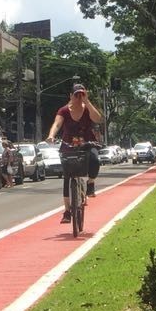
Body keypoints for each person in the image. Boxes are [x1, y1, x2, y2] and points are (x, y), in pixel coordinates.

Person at [46, 83, 104, 223]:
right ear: (71, 96)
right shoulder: (64, 110)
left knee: (95, 160)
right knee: (68, 175)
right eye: (76, 95)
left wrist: (87, 101)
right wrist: (51, 135)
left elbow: (98, 119)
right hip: (69, 144)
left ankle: (90, 183)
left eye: (81, 94)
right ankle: (67, 211)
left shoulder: (87, 108)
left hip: (87, 142)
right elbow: (57, 124)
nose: (79, 98)